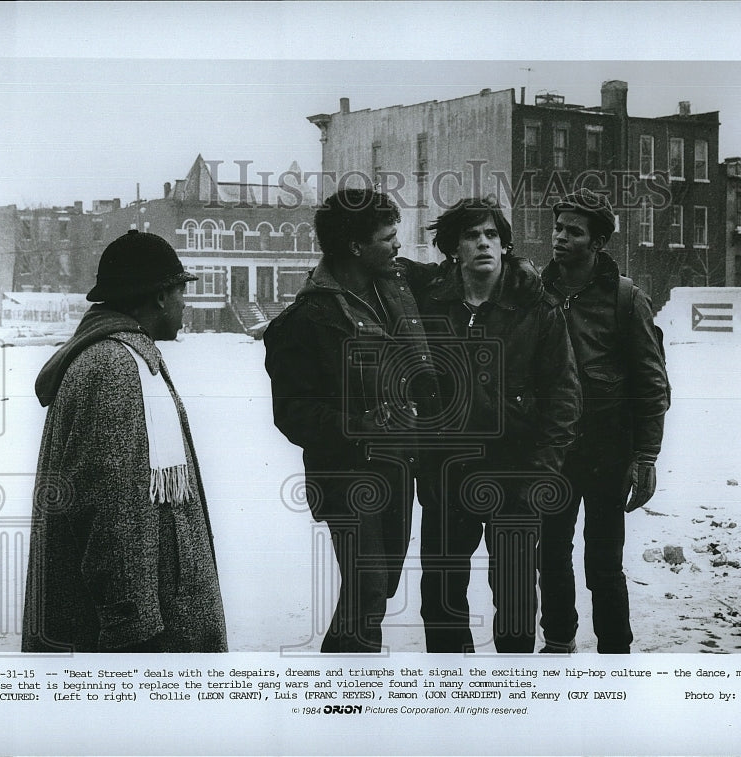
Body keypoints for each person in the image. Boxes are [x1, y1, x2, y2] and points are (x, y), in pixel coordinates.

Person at [22, 230, 227, 653]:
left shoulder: (121, 357)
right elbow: (111, 512)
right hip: (140, 634)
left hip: (150, 613)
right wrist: (129, 627)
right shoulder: (115, 366)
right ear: (158, 297)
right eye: (180, 291)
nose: (185, 303)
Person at [264, 189, 439, 653]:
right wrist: (361, 423)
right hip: (345, 473)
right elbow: (292, 413)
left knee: (376, 593)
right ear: (355, 247)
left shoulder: (398, 284)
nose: (398, 245)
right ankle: (345, 703)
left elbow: (457, 276)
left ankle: (342, 692)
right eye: (387, 237)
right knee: (368, 588)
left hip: (398, 465)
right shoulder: (307, 319)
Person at [411, 196, 581, 653]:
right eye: (471, 235)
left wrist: (542, 473)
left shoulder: (538, 308)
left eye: (492, 235)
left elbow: (564, 400)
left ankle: (513, 695)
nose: (483, 243)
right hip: (448, 474)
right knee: (441, 596)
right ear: (453, 249)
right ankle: (452, 696)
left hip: (516, 473)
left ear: (505, 245)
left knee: (515, 597)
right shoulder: (431, 305)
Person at [538, 189, 670, 654]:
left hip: (607, 453)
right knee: (550, 555)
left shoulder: (625, 298)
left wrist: (646, 457)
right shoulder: (537, 291)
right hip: (552, 453)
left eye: (574, 232)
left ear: (598, 243)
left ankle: (616, 652)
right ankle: (557, 642)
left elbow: (653, 384)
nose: (560, 238)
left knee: (604, 561)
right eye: (558, 228)